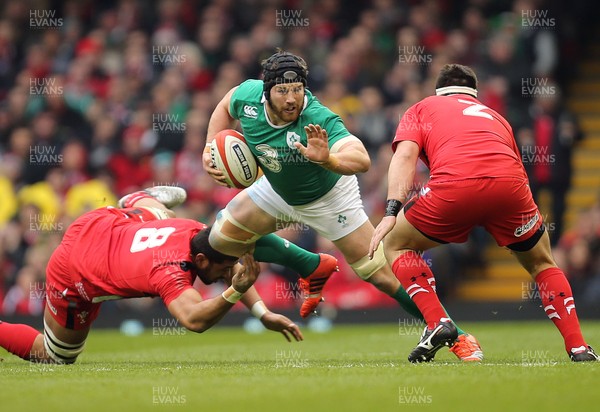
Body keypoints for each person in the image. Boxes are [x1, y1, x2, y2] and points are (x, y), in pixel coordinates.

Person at [202, 50, 483, 361]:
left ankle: (456, 335)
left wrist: (329, 159)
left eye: (297, 89)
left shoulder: (317, 117)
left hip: (329, 196)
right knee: (220, 240)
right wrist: (209, 146)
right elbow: (226, 103)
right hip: (277, 189)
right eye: (283, 91)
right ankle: (311, 265)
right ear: (266, 92)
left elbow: (361, 158)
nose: (292, 98)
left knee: (380, 274)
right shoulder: (248, 96)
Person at [369, 63, 598, 363]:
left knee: (396, 243)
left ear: (439, 91)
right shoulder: (497, 117)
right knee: (543, 263)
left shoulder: (424, 107)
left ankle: (439, 321)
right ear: (474, 94)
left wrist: (391, 210)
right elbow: (511, 163)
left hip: (454, 187)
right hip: (511, 188)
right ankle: (579, 347)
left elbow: (405, 155)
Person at [0, 186, 303, 364]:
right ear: (199, 259)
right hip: (74, 267)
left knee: (164, 216)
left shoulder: (196, 230)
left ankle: (140, 199)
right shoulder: (170, 272)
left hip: (101, 223)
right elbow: (195, 320)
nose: (229, 272)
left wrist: (263, 314)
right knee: (55, 356)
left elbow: (230, 268)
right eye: (225, 269)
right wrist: (234, 292)